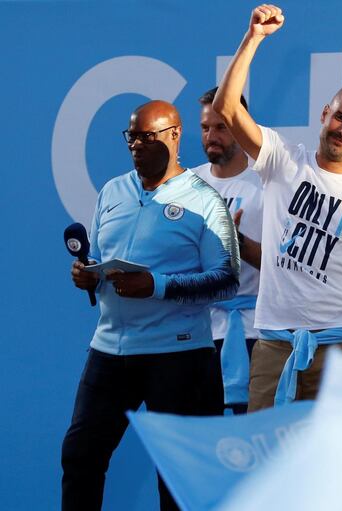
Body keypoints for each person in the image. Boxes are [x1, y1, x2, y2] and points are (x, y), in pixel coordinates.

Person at [213, 4, 342, 410]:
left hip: (341, 348)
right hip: (273, 342)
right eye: (340, 117)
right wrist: (253, 38)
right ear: (325, 115)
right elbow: (227, 108)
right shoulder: (283, 159)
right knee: (266, 456)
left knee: (335, 463)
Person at [61, 100, 239, 510]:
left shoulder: (205, 201)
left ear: (175, 136)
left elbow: (227, 280)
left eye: (147, 136)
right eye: (132, 137)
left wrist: (155, 285)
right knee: (80, 456)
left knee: (177, 481)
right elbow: (98, 259)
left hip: (178, 356)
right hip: (110, 350)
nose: (137, 145)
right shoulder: (112, 190)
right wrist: (87, 274)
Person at [191, 87, 263, 414]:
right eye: (206, 128)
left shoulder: (268, 184)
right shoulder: (184, 185)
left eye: (221, 127)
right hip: (198, 332)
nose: (211, 136)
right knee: (202, 439)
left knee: (253, 442)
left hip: (256, 333)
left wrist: (238, 243)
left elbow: (284, 266)